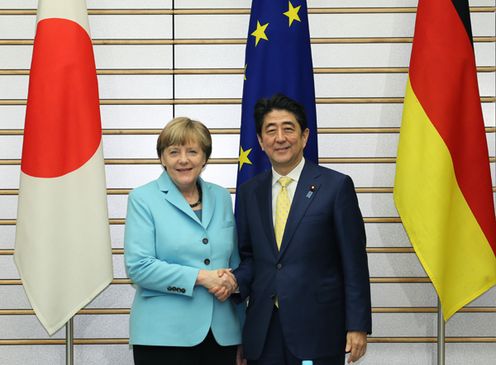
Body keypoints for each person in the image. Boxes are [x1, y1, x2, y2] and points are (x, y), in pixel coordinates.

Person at [233, 94, 372, 365]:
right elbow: (248, 256)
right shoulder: (250, 192)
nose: (280, 137)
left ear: (305, 135)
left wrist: (358, 325)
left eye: (288, 128)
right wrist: (231, 282)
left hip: (319, 329)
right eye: (270, 130)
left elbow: (354, 262)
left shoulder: (335, 186)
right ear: (261, 142)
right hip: (264, 331)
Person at [124, 117, 242, 365]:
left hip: (222, 335)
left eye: (192, 151)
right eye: (174, 152)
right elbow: (139, 267)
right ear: (162, 158)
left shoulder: (221, 196)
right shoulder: (143, 198)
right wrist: (201, 277)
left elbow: (234, 263)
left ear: (204, 158)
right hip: (163, 336)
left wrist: (233, 285)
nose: (183, 160)